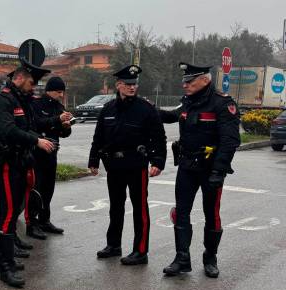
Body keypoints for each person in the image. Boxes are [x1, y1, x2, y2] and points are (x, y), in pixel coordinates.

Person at [160, 63, 240, 278]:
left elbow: (230, 141)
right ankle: (182, 259)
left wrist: (219, 171)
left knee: (211, 214)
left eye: (189, 81)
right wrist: (150, 110)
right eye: (184, 81)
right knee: (181, 212)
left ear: (205, 80)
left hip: (210, 169)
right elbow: (172, 116)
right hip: (187, 166)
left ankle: (210, 257)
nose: (184, 85)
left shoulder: (222, 103)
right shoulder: (188, 101)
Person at [0, 62, 59, 288]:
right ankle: (6, 266)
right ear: (19, 78)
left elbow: (28, 126)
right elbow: (8, 130)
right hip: (5, 162)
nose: (33, 87)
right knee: (8, 214)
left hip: (18, 162)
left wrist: (44, 136)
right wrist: (36, 140)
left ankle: (1, 259)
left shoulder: (21, 100)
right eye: (30, 82)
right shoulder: (3, 99)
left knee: (9, 212)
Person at [88, 65, 167, 265]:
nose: (132, 87)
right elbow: (98, 137)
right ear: (118, 85)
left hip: (136, 164)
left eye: (134, 84)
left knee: (140, 208)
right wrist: (93, 160)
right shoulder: (108, 109)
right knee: (115, 207)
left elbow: (159, 137)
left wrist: (158, 161)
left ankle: (140, 251)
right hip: (114, 164)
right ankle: (113, 245)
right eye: (128, 84)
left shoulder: (145, 109)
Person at [26, 76, 73, 240]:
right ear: (50, 91)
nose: (61, 95)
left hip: (52, 153)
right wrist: (57, 119)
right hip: (37, 153)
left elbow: (64, 133)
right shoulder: (36, 104)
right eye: (59, 92)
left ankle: (45, 220)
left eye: (63, 92)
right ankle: (32, 224)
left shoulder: (59, 107)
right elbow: (36, 124)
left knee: (48, 188)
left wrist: (66, 126)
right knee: (36, 189)